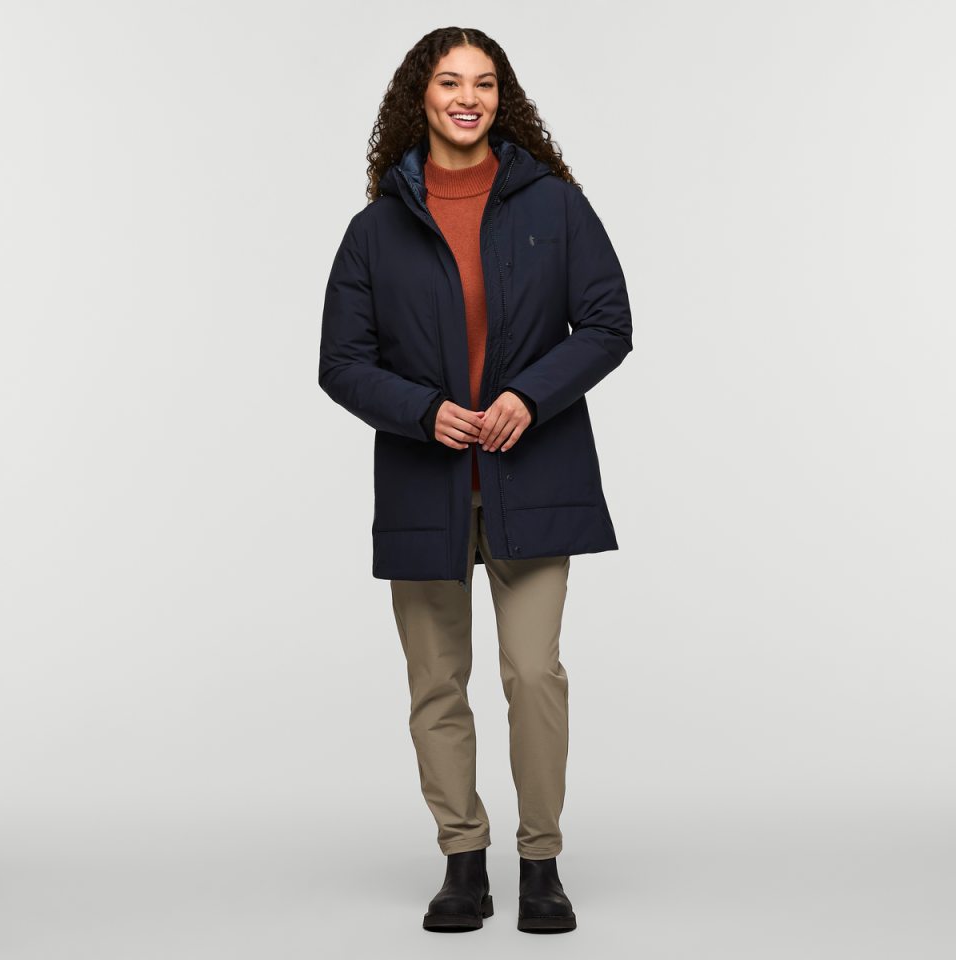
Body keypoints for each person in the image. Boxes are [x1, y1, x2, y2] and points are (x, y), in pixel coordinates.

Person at [319, 26, 632, 933]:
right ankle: (463, 860)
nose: (468, 98)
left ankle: (540, 863)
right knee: (436, 684)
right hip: (425, 487)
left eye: (484, 83)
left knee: (533, 674)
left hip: (536, 478)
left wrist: (529, 397)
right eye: (450, 82)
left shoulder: (556, 207)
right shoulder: (375, 229)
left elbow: (607, 322)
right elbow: (342, 362)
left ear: (503, 97)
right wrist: (424, 412)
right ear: (419, 96)